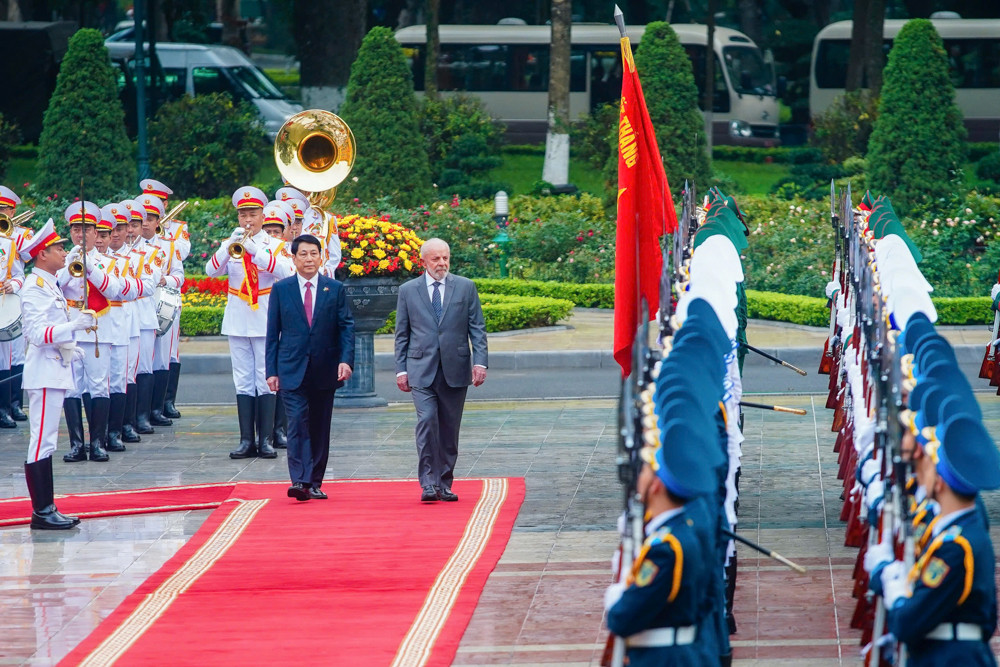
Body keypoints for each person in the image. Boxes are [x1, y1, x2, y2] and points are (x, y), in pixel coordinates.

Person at [871, 411, 1000, 666]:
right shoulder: (959, 533)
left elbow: (908, 622)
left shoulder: (956, 547)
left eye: (929, 464)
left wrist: (896, 593)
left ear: (940, 482)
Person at [394, 238, 487, 502]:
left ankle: (444, 483)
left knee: (449, 428)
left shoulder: (466, 287)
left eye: (445, 258)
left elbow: (477, 328)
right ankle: (428, 483)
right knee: (426, 421)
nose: (442, 263)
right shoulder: (408, 290)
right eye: (436, 259)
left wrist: (480, 362)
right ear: (423, 261)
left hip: (455, 369)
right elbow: (402, 334)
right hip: (420, 369)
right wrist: (401, 369)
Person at [205, 186, 294, 459]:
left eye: (253, 214)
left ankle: (266, 439)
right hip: (237, 318)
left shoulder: (276, 245)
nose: (248, 220)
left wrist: (256, 252)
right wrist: (227, 247)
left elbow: (288, 272)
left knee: (265, 378)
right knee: (243, 379)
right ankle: (246, 440)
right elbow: (211, 271)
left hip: (265, 317)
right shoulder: (231, 241)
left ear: (263, 216)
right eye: (243, 215)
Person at [265, 234, 355, 501]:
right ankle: (300, 481)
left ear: (321, 257)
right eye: (303, 254)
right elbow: (272, 333)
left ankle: (314, 481)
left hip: (325, 369)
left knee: (319, 426)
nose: (309, 259)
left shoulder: (334, 289)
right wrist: (271, 371)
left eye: (313, 253)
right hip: (291, 369)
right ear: (293, 258)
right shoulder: (281, 289)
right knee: (296, 423)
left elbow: (346, 328)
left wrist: (346, 360)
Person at [19, 219, 94, 529]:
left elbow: (51, 329)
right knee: (41, 440)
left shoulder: (49, 283)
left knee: (47, 440)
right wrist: (73, 327)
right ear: (42, 254)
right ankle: (42, 511)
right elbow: (37, 333)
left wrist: (68, 346)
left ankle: (47, 507)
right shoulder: (34, 288)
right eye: (58, 248)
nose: (64, 252)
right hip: (44, 373)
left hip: (54, 369)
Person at [59, 201, 124, 463]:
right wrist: (70, 264)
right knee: (72, 388)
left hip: (98, 329)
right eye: (76, 229)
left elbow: (114, 290)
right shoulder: (63, 260)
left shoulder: (107, 261)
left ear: (96, 233)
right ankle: (77, 445)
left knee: (98, 385)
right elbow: (55, 287)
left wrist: (90, 268)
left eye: (86, 229)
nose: (81, 234)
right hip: (71, 328)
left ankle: (97, 443)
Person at [140, 179, 189, 423]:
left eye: (150, 219)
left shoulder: (169, 244)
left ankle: (159, 407)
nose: (145, 224)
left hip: (164, 303)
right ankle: (141, 411)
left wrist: (164, 280)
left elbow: (179, 275)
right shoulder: (129, 245)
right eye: (142, 219)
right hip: (140, 304)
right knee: (141, 358)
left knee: (164, 355)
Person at [0, 185, 30, 424]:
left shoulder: (11, 241)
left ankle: (10, 406)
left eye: (3, 210)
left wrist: (15, 285)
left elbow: (20, 274)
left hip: (6, 301)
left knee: (12, 355)